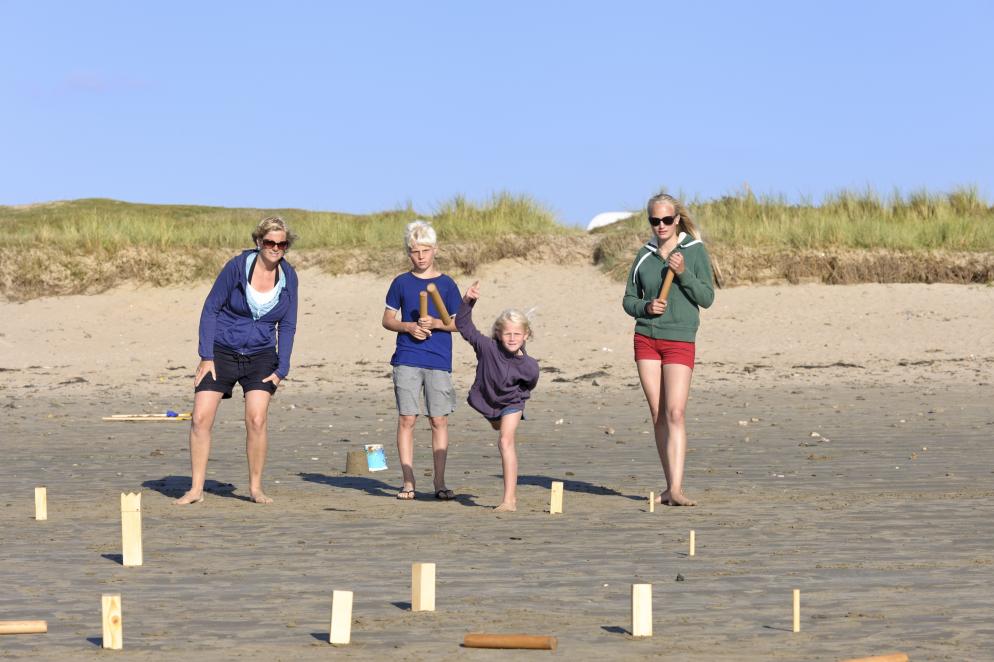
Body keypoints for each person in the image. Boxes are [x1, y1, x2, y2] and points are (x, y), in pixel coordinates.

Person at [174, 216, 299, 505]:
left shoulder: (289, 277)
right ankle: (195, 489)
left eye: (282, 244)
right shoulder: (236, 267)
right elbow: (210, 309)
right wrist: (206, 356)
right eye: (270, 242)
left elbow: (288, 325)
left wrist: (283, 368)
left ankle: (255, 488)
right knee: (201, 418)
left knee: (256, 419)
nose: (275, 248)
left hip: (262, 355)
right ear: (258, 241)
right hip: (221, 351)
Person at [622, 193, 714, 506]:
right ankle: (668, 486)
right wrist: (646, 307)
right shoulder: (644, 255)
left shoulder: (694, 251)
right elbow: (628, 300)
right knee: (658, 413)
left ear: (676, 220)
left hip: (679, 338)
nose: (660, 226)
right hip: (646, 338)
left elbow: (707, 297)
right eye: (654, 220)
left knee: (676, 412)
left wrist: (684, 272)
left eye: (666, 220)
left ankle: (676, 489)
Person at [381, 220, 462, 500]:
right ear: (408, 252)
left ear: (435, 250)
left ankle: (439, 483)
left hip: (439, 359)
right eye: (415, 251)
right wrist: (409, 326)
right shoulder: (401, 283)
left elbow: (458, 324)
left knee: (438, 420)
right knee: (407, 418)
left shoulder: (447, 284)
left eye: (425, 250)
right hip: (407, 356)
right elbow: (387, 319)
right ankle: (408, 481)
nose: (420, 256)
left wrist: (436, 323)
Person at [456, 281, 540, 512]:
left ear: (526, 336)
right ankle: (496, 421)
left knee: (505, 441)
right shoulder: (486, 347)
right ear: (498, 334)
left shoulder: (530, 366)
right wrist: (468, 301)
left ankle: (509, 500)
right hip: (486, 400)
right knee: (498, 428)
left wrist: (517, 401)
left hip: (513, 402)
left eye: (517, 334)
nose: (512, 338)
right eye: (508, 334)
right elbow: (463, 325)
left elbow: (529, 385)